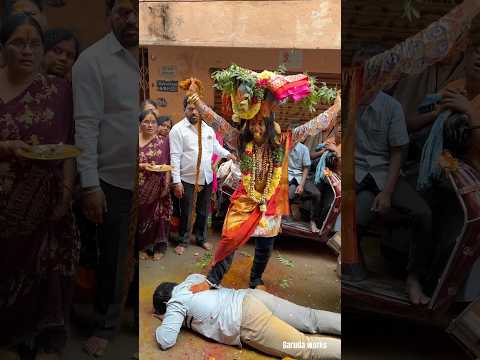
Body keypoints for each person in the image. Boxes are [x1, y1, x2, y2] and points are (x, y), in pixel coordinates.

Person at [182, 70, 340, 291]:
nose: (256, 128)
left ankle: (256, 280)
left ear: (270, 125)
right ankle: (213, 280)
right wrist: (196, 100)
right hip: (245, 199)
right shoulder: (239, 139)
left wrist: (336, 107)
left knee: (265, 245)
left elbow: (313, 126)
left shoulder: (283, 141)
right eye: (252, 124)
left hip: (270, 203)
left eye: (261, 124)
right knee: (229, 238)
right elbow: (216, 121)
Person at [0, 13, 79, 359]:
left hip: (42, 201)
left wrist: (65, 193)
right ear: (3, 47)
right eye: (19, 42)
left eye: (34, 43)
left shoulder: (59, 92)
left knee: (36, 271)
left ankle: (28, 337)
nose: (28, 50)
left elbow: (66, 147)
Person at [72, 0, 139, 356]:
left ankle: (146, 316)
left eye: (140, 11)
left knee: (153, 251)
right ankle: (105, 324)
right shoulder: (93, 61)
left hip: (156, 179)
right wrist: (90, 185)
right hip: (113, 180)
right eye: (124, 11)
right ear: (110, 15)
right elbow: (85, 125)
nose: (133, 19)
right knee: (112, 259)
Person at [153, 274, 341, 360]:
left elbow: (166, 340)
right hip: (250, 296)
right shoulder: (192, 278)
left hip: (247, 318)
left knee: (305, 347)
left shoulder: (176, 304)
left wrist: (165, 318)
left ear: (165, 305)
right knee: (310, 317)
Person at [169, 97, 236, 255]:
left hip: (206, 177)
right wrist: (176, 181)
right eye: (190, 109)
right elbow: (175, 157)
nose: (194, 112)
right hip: (187, 179)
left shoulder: (207, 129)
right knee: (186, 211)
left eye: (197, 109)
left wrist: (229, 155)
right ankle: (183, 241)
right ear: (184, 110)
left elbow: (216, 148)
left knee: (204, 211)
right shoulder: (177, 130)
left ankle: (201, 238)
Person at [137, 110, 172, 261]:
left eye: (153, 122)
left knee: (158, 217)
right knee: (140, 217)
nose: (150, 125)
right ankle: (143, 247)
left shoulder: (162, 142)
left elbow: (167, 164)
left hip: (158, 186)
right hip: (138, 187)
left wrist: (166, 185)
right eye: (146, 121)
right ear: (140, 124)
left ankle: (159, 247)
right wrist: (141, 165)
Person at [288, 139, 323, 233]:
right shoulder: (283, 146)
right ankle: (285, 215)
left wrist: (301, 185)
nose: (293, 139)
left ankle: (313, 221)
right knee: (290, 193)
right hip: (286, 176)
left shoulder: (304, 149)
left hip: (301, 176)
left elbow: (306, 168)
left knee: (316, 194)